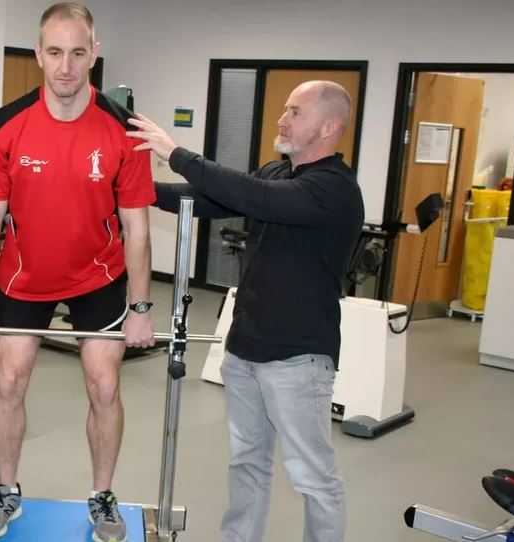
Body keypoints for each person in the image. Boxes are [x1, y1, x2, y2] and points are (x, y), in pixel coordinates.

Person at [127, 80, 363, 542]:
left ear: (329, 126)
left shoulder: (334, 189)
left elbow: (253, 198)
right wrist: (133, 185)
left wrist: (176, 152)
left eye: (295, 111)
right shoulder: (278, 173)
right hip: (244, 351)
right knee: (248, 463)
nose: (282, 118)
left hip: (297, 360)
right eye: (285, 109)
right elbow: (204, 199)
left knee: (314, 477)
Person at [0, 3, 156, 541]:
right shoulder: (5, 125)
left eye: (78, 53)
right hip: (24, 277)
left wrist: (141, 310)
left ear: (94, 54)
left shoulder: (122, 129)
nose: (66, 66)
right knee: (10, 379)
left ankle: (102, 497)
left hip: (100, 277)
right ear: (38, 55)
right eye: (55, 52)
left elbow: (137, 228)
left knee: (103, 385)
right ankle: (6, 491)